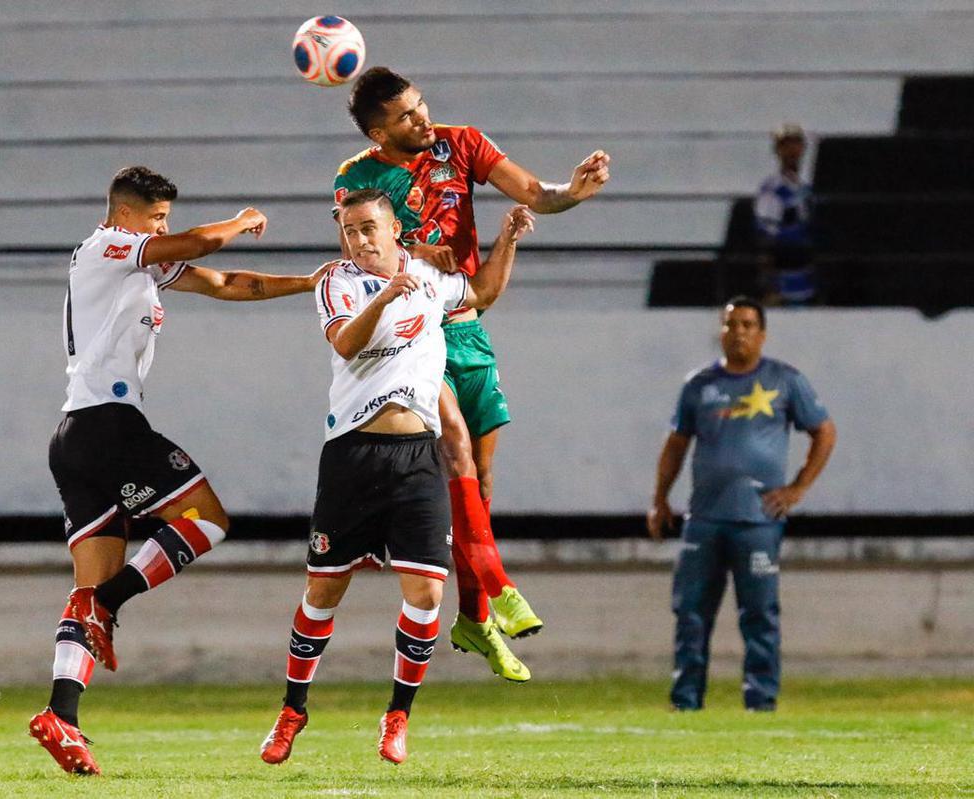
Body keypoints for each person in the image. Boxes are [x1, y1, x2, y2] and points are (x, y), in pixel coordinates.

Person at [28, 165, 327, 776]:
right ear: (125, 215)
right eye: (156, 217)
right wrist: (242, 221)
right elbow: (199, 245)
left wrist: (308, 283)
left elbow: (223, 281)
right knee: (207, 519)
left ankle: (62, 715)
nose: (162, 228)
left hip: (77, 436)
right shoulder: (106, 247)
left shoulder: (138, 262)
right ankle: (106, 605)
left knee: (87, 591)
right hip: (109, 426)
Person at [332, 66, 611, 682]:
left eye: (422, 105)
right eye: (406, 116)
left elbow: (536, 191)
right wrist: (410, 254)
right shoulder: (356, 178)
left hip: (469, 323)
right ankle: (499, 585)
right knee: (454, 441)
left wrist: (575, 190)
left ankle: (474, 619)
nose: (422, 118)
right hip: (415, 333)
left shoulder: (461, 143)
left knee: (481, 484)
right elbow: (363, 252)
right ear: (380, 131)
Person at [260, 189, 535, 766]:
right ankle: (292, 709)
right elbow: (345, 341)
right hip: (352, 455)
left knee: (428, 591)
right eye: (350, 231)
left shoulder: (429, 278)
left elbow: (481, 291)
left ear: (392, 231)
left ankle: (397, 717)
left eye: (368, 229)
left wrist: (506, 240)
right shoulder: (336, 281)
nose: (359, 240)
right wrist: (385, 295)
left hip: (417, 457)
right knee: (323, 590)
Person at [646, 296, 836, 711]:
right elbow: (676, 444)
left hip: (758, 520)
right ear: (721, 331)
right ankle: (686, 702)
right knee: (691, 614)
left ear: (762, 334)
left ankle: (760, 702)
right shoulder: (698, 385)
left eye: (749, 325)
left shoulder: (784, 380)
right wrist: (660, 499)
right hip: (705, 519)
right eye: (732, 324)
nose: (740, 332)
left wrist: (797, 488)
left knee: (759, 615)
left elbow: (824, 431)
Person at [754, 123, 815, 305]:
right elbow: (765, 234)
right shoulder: (773, 189)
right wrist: (770, 283)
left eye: (796, 145)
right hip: (783, 274)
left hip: (805, 272)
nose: (792, 151)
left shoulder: (804, 188)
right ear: (778, 150)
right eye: (786, 146)